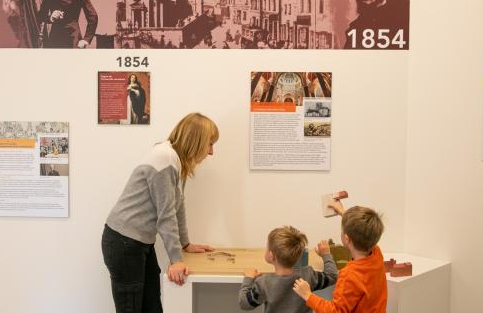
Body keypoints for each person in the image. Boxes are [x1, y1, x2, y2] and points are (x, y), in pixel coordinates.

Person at [102, 113, 219, 312]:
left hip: (137, 243)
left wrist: (185, 244)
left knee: (152, 306)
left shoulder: (175, 159)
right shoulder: (165, 159)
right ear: (196, 141)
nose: (211, 152)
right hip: (124, 243)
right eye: (209, 144)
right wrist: (176, 260)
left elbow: (178, 204)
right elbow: (166, 215)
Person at [293, 198, 387, 312]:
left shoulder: (349, 275)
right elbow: (364, 230)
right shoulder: (376, 253)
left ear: (346, 239)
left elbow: (335, 311)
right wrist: (343, 212)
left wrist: (308, 295)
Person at [239, 226, 338, 313]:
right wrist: (326, 254)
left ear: (271, 256)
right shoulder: (308, 275)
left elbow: (244, 303)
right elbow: (332, 276)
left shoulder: (264, 283)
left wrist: (248, 279)